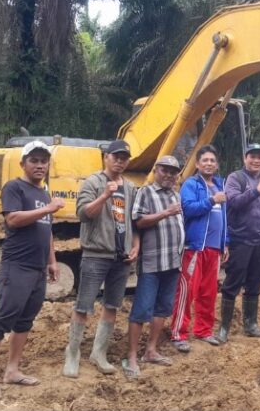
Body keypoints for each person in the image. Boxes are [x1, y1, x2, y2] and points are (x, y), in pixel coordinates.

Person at [0, 141, 64, 401]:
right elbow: (12, 219)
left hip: (38, 269)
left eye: (44, 160)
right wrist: (47, 209)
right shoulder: (14, 187)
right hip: (17, 267)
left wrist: (52, 260)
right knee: (2, 318)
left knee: (25, 320)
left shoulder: (44, 192)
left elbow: (46, 230)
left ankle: (12, 370)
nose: (40, 165)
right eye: (34, 160)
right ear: (23, 163)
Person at [63, 140, 139, 378]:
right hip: (96, 254)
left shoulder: (130, 188)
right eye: (115, 156)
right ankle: (72, 354)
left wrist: (135, 245)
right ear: (106, 157)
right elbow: (84, 214)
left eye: (124, 157)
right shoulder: (93, 183)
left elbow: (133, 221)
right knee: (83, 306)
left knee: (112, 306)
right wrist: (105, 195)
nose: (120, 160)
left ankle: (99, 353)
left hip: (121, 257)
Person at [122, 155, 185, 379]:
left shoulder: (175, 195)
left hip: (173, 262)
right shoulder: (146, 192)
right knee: (141, 309)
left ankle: (151, 350)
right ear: (156, 170)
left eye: (173, 172)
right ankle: (131, 357)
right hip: (152, 262)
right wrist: (166, 213)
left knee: (163, 308)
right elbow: (138, 221)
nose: (169, 175)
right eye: (164, 170)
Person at [170, 145, 229, 352]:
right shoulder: (191, 184)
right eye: (205, 160)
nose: (209, 164)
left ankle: (204, 330)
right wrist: (212, 200)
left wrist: (225, 242)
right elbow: (188, 209)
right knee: (187, 291)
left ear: (217, 164)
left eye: (212, 160)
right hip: (195, 247)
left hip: (214, 249)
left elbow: (224, 218)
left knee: (209, 292)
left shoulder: (219, 185)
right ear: (197, 164)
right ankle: (179, 333)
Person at [219, 143, 260, 342]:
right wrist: (256, 191)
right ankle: (224, 328)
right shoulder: (235, 178)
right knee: (232, 283)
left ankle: (251, 324)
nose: (256, 160)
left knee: (255, 283)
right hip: (240, 240)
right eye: (252, 156)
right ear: (245, 158)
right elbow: (233, 202)